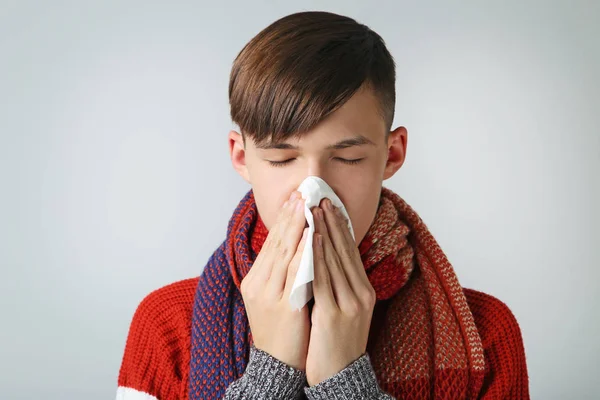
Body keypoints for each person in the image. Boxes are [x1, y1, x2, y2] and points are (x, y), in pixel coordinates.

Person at [116, 11, 529, 400]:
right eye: (281, 159)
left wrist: (345, 382)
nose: (312, 192)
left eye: (347, 158)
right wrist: (269, 376)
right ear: (241, 157)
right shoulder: (167, 326)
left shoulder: (485, 334)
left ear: (392, 155)